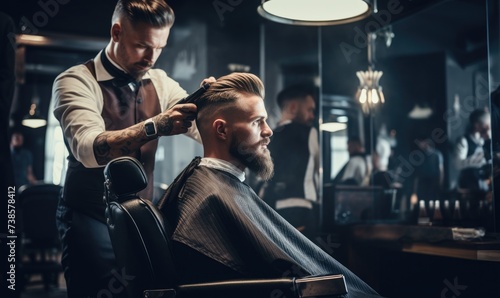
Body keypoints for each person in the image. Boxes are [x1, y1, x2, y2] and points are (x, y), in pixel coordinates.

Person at [157, 72, 382, 298]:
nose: (268, 131)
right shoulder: (209, 198)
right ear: (222, 130)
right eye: (257, 122)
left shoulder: (219, 187)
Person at [51, 1, 213, 297]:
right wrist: (156, 126)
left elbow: (197, 126)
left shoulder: (160, 83)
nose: (152, 57)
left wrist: (214, 104)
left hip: (140, 215)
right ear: (116, 32)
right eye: (142, 46)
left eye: (160, 48)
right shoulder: (75, 81)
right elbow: (89, 149)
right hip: (89, 214)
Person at [259, 83, 319, 238]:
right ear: (293, 107)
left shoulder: (268, 137)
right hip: (302, 209)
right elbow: (316, 169)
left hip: (272, 208)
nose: (312, 116)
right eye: (309, 110)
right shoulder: (309, 133)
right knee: (304, 260)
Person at [454, 108, 491, 191]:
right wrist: (479, 159)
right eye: (486, 125)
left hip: (483, 183)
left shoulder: (483, 140)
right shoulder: (464, 140)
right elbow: (457, 164)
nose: (489, 127)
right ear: (477, 125)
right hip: (469, 185)